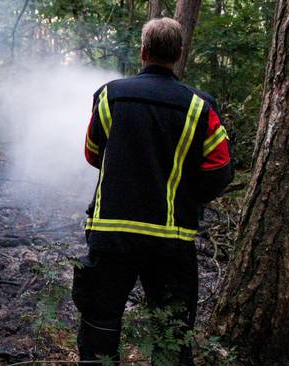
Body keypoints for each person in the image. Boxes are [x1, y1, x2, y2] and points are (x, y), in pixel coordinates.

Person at [72, 17, 233, 365]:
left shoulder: (110, 96)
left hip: (111, 236)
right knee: (171, 337)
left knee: (99, 330)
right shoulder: (199, 106)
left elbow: (92, 153)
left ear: (143, 51)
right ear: (178, 54)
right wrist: (188, 196)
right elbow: (220, 170)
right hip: (170, 241)